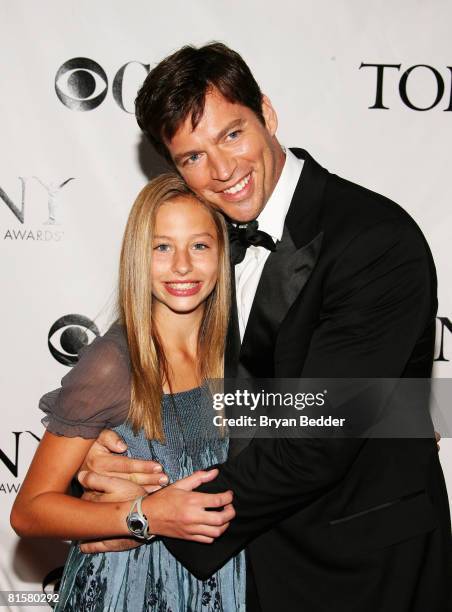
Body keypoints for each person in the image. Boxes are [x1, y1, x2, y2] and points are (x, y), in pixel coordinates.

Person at [80, 43, 451, 611]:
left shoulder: (372, 240)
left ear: (268, 115)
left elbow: (318, 433)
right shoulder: (205, 247)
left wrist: (156, 520)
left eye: (232, 135)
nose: (223, 170)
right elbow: (246, 398)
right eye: (193, 157)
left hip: (358, 566)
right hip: (254, 563)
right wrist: (124, 453)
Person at [10, 173, 246, 611]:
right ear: (138, 257)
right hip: (128, 589)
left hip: (219, 586)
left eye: (199, 245)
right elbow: (29, 510)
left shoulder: (239, 354)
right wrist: (144, 515)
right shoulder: (114, 363)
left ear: (222, 254)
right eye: (162, 247)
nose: (181, 265)